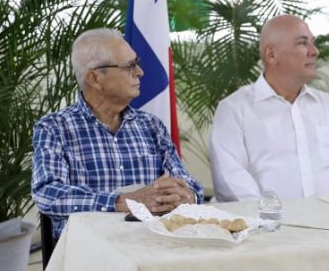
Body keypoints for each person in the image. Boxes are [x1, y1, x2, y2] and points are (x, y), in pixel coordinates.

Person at [32, 28, 204, 238]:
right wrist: (125, 202)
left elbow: (189, 184)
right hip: (89, 251)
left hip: (155, 243)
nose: (140, 72)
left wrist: (187, 196)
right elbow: (48, 194)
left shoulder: (151, 126)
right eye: (129, 66)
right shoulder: (54, 128)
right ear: (95, 78)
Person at [209, 15, 329, 201]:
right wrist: (270, 221)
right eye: (303, 43)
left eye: (313, 42)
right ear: (271, 55)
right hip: (265, 225)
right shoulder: (234, 110)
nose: (315, 51)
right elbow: (230, 182)